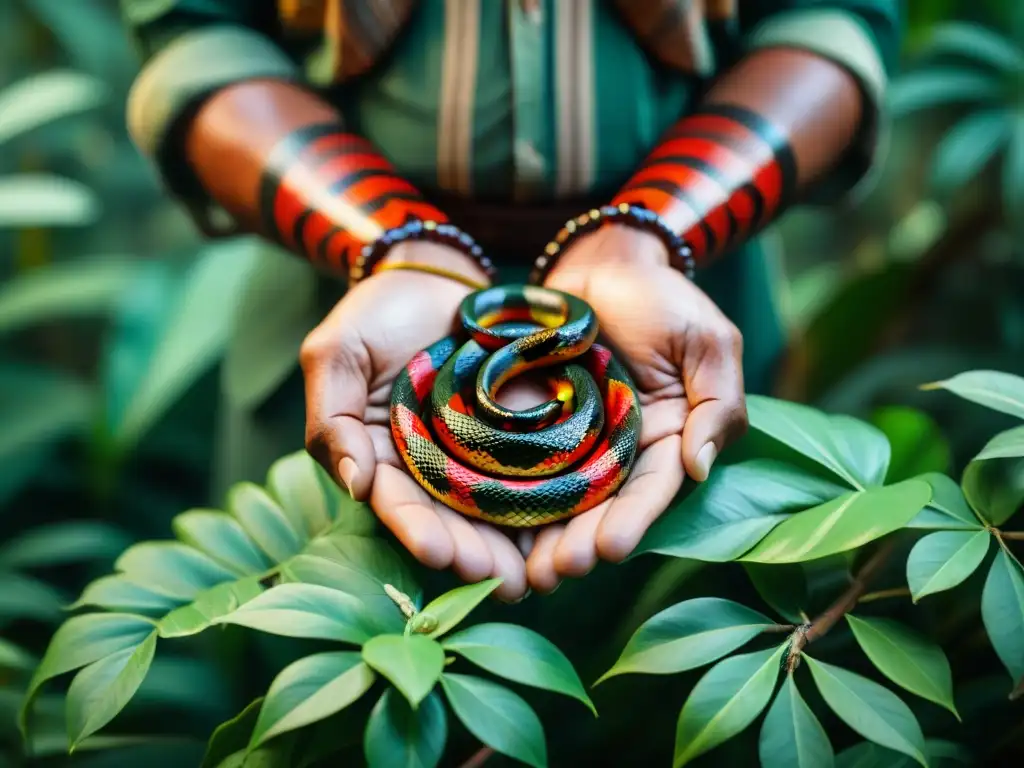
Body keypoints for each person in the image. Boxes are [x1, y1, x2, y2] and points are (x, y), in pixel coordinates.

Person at [121, 0, 899, 604]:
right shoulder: (461, 385)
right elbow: (197, 41)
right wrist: (397, 242)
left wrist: (646, 236)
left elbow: (832, 22)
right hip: (343, 301)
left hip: (680, 309)